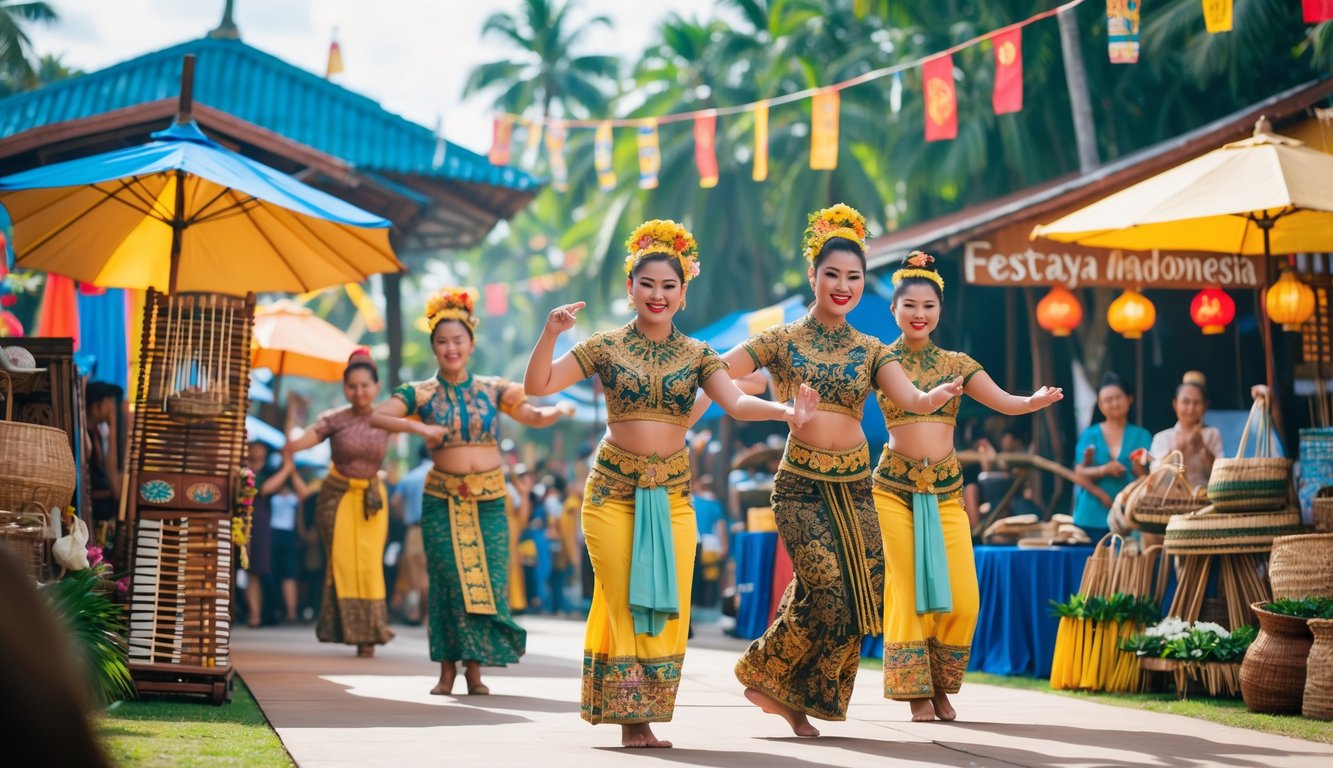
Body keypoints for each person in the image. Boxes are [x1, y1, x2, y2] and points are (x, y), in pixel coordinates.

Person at [524, 219, 818, 749]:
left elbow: (736, 401)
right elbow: (538, 384)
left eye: (669, 286)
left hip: (673, 498)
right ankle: (632, 716)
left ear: (683, 293)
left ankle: (643, 708)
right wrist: (550, 334)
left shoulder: (700, 354)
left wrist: (784, 411)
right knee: (624, 601)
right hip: (612, 495)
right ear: (630, 289)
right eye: (648, 284)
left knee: (666, 604)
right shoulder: (604, 347)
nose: (657, 294)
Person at [719, 205, 963, 738]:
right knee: (827, 590)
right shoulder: (780, 340)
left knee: (860, 597)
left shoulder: (872, 348)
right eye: (833, 274)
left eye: (853, 276)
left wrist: (936, 396)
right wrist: (768, 402)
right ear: (813, 276)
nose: (843, 285)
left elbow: (913, 398)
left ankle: (794, 696)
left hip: (855, 486)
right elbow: (715, 370)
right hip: (800, 487)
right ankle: (764, 671)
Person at [873, 251, 1063, 722]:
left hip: (947, 491)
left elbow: (1004, 402)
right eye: (910, 305)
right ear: (893, 309)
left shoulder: (957, 364)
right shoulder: (880, 359)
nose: (920, 314)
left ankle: (941, 685)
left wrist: (1031, 402)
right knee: (909, 587)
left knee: (963, 595)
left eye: (929, 306)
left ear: (940, 311)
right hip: (893, 489)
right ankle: (915, 691)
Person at [370, 287, 575, 696]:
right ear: (433, 347)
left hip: (491, 500)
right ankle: (446, 668)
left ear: (471, 343)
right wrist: (420, 427)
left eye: (458, 340)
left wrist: (557, 411)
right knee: (448, 581)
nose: (451, 348)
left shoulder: (494, 387)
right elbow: (378, 415)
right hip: (441, 499)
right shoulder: (420, 393)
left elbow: (531, 413)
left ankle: (475, 670)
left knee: (491, 579)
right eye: (443, 341)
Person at [285, 350, 395, 657]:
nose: (359, 392)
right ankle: (348, 629)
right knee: (345, 564)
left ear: (377, 386)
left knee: (371, 564)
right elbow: (309, 437)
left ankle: (371, 632)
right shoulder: (334, 418)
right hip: (338, 497)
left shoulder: (388, 416)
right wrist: (292, 441)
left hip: (373, 498)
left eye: (365, 385)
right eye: (352, 386)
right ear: (345, 388)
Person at [1073, 372, 1152, 542]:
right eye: (1107, 400)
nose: (1113, 403)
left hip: (1129, 515)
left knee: (1127, 565)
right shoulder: (1090, 434)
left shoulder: (1142, 435)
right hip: (1091, 515)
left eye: (1118, 397)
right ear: (1100, 405)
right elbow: (1078, 474)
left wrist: (1138, 469)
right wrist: (1104, 472)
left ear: (1129, 399)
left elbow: (1151, 478)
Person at [1150, 371, 1224, 489]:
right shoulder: (1162, 437)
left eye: (1196, 402)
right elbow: (1157, 477)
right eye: (1186, 402)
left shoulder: (1212, 434)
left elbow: (1221, 475)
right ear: (1175, 404)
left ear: (1205, 406)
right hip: (1171, 500)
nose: (1191, 408)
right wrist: (1177, 450)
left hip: (1204, 499)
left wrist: (1202, 448)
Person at [266, 452, 311, 625]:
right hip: (272, 532)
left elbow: (305, 494)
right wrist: (285, 470)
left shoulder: (295, 489)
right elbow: (266, 490)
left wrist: (291, 471)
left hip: (290, 535)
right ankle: (275, 608)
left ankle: (291, 612)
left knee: (290, 574)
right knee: (271, 573)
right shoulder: (273, 482)